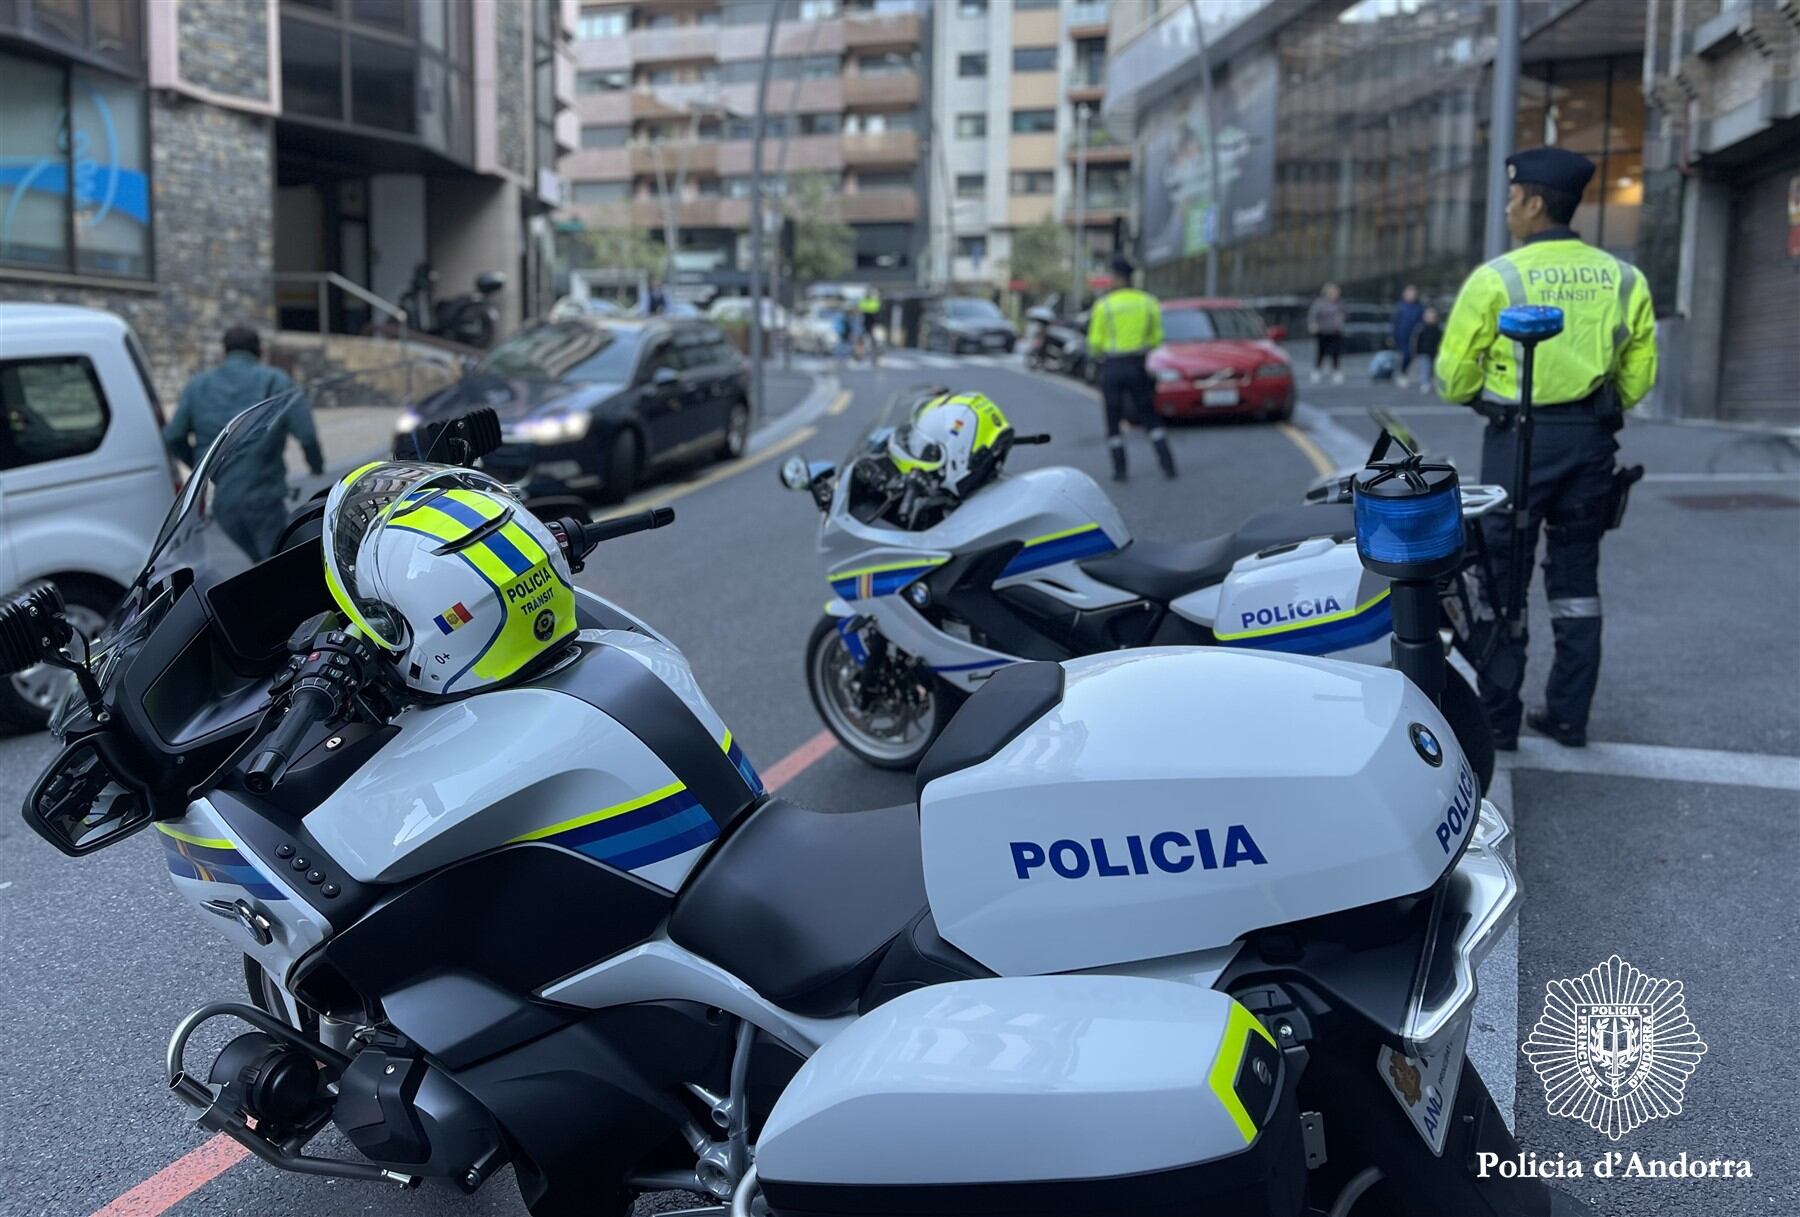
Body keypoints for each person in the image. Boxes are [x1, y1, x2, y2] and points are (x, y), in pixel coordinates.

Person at [1435, 146, 1657, 750]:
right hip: (1590, 443)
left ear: (1534, 202)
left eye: (1512, 197)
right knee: (1578, 584)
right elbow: (1637, 379)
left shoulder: (1496, 278)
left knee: (1504, 583)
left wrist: (1492, 390)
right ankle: (1568, 716)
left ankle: (1499, 720)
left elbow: (1452, 379)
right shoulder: (1625, 278)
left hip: (1518, 442)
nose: (1508, 208)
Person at [164, 325, 322, 561]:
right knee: (280, 569)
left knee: (262, 566)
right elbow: (307, 434)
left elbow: (173, 436)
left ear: (224, 352)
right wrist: (316, 466)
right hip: (264, 501)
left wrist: (205, 467)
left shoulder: (198, 386)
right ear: (259, 350)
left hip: (224, 506)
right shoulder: (275, 380)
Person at [1086, 256, 1177, 481]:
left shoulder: (1104, 305)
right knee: (1149, 416)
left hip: (1112, 367)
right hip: (1138, 365)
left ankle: (1120, 470)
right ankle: (1167, 465)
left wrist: (1102, 354)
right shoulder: (1148, 302)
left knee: (1113, 418)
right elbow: (1157, 338)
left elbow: (1094, 343)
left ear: (1116, 278)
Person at [1306, 283, 1345, 384]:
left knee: (1335, 352)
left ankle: (1336, 371)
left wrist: (1340, 324)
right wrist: (1313, 325)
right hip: (1322, 331)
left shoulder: (1339, 303)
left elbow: (1343, 315)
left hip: (1335, 331)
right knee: (1321, 352)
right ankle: (1317, 371)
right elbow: (1313, 315)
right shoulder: (1320, 303)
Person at [1392, 285, 1425, 385]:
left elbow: (1421, 321)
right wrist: (1392, 335)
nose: (1411, 296)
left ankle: (1403, 372)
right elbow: (1395, 322)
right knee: (1404, 355)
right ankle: (1402, 373)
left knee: (1410, 356)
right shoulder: (1400, 307)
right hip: (1401, 335)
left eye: (1413, 294)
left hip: (1413, 336)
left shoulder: (1418, 308)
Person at [1411, 306, 1442, 394]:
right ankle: (1424, 383)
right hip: (1423, 353)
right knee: (1425, 369)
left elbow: (1441, 341)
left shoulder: (1438, 329)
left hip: (1434, 353)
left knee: (1434, 369)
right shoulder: (1421, 328)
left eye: (1434, 317)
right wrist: (1416, 352)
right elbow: (1416, 341)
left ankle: (1434, 383)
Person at [857, 287, 881, 360]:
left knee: (873, 339)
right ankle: (860, 354)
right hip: (865, 323)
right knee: (862, 339)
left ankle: (875, 354)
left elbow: (875, 311)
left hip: (871, 323)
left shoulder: (873, 302)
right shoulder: (866, 301)